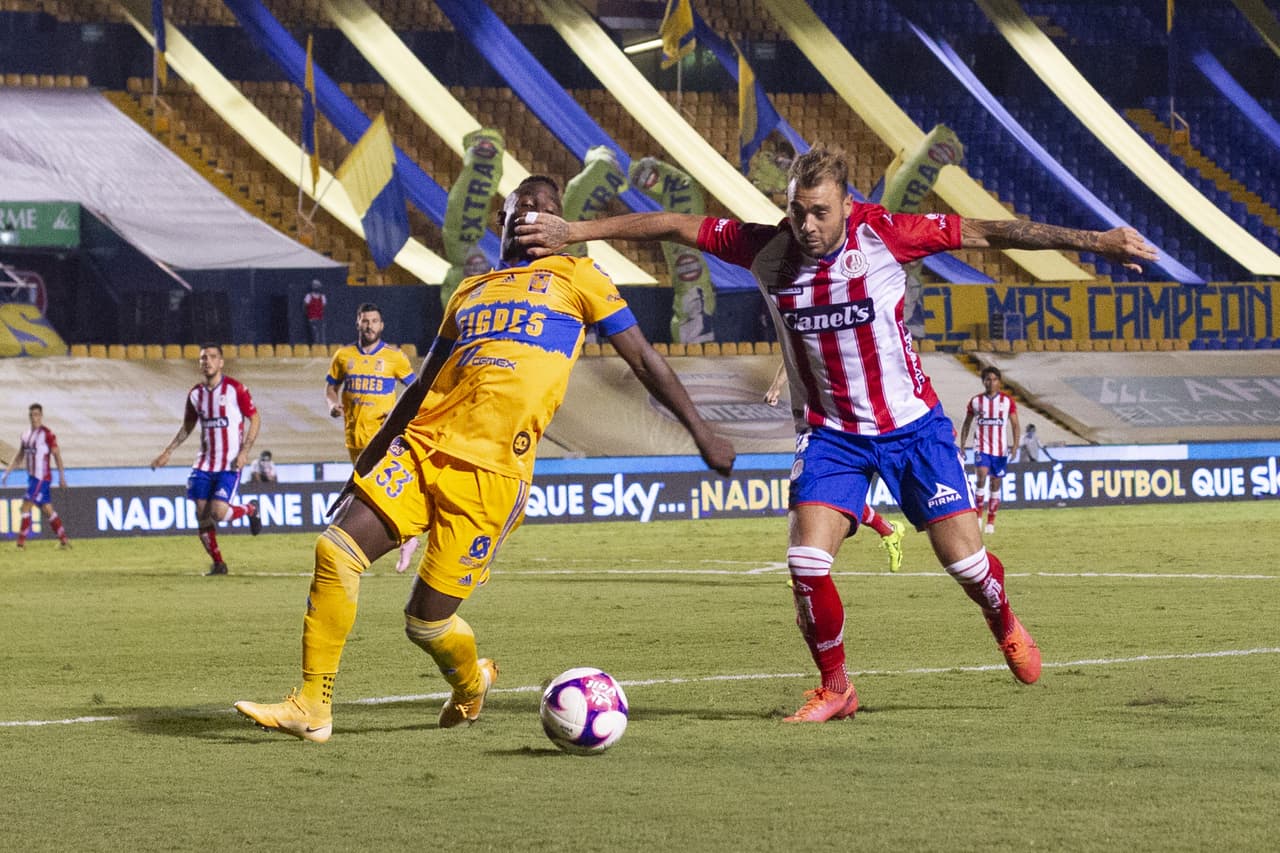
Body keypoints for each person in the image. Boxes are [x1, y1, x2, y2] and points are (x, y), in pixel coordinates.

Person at [517, 144, 1158, 722]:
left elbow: (991, 231)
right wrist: (575, 232)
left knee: (965, 563)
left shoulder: (886, 235)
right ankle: (836, 686)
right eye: (797, 212)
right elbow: (674, 224)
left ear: (848, 205)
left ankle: (1005, 619)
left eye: (820, 212)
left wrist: (1095, 241)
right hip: (831, 436)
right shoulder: (766, 248)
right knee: (805, 560)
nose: (808, 226)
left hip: (912, 428)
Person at [233, 176, 735, 743]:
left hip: (493, 475)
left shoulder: (580, 279)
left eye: (550, 211)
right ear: (504, 220)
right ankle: (311, 705)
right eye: (527, 208)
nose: (538, 218)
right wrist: (365, 466)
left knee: (425, 622)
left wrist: (701, 431)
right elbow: (421, 385)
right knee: (335, 549)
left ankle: (472, 683)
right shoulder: (468, 292)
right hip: (423, 447)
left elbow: (643, 359)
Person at [765, 362, 905, 572]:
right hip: (815, 425)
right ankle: (887, 529)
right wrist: (776, 385)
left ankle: (809, 564)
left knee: (816, 493)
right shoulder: (804, 339)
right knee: (819, 493)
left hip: (847, 425)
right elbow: (791, 356)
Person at [150, 344, 263, 575]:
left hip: (229, 464)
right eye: (203, 358)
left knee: (218, 513)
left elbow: (255, 419)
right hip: (203, 464)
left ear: (221, 362)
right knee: (201, 515)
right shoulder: (195, 394)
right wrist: (168, 451)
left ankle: (250, 509)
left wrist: (244, 452)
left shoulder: (236, 389)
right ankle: (219, 564)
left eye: (212, 357)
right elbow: (188, 426)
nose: (207, 361)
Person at [325, 302, 419, 573]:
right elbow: (330, 387)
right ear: (358, 323)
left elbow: (416, 389)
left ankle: (405, 539)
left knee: (377, 491)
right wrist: (332, 405)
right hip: (355, 439)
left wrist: (400, 415)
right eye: (365, 321)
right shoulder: (343, 356)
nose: (369, 326)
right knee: (369, 492)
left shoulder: (394, 357)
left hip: (384, 438)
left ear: (382, 325)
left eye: (374, 321)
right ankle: (402, 537)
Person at [1, 403, 72, 549]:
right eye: (32, 415)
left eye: (37, 415)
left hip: (42, 478)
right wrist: (7, 472)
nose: (34, 418)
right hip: (33, 478)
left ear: (41, 416)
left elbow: (57, 455)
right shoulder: (26, 435)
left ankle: (20, 544)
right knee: (47, 509)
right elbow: (20, 455)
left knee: (25, 506)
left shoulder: (47, 434)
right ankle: (64, 541)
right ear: (29, 417)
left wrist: (62, 476)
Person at [960, 366, 1020, 535]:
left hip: (1000, 450)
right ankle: (978, 517)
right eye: (988, 379)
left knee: (995, 484)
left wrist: (1015, 446)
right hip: (982, 447)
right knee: (981, 476)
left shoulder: (1007, 402)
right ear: (983, 382)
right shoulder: (976, 401)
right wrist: (963, 444)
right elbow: (967, 424)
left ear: (999, 382)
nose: (991, 382)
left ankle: (991, 521)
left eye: (994, 379)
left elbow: (1015, 425)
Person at [304, 279, 327, 345]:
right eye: (315, 286)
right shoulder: (308, 296)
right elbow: (305, 306)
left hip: (320, 319)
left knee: (322, 335)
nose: (316, 288)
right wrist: (308, 315)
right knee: (315, 335)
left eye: (317, 286)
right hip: (312, 319)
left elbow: (324, 307)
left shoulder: (322, 297)